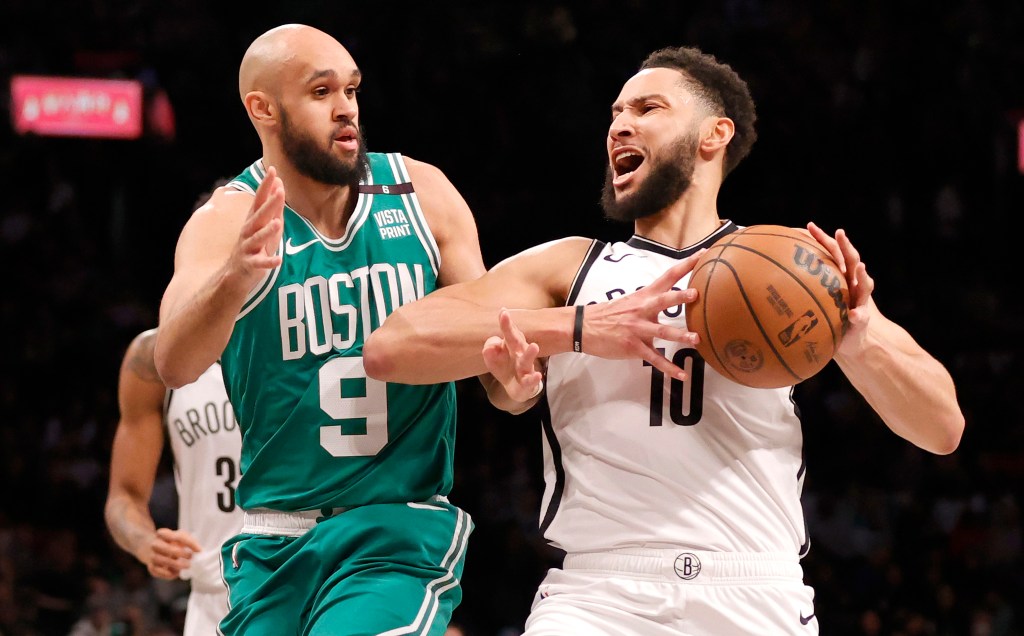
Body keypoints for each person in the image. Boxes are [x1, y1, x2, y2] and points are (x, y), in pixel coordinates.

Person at [363, 45, 966, 634]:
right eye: (615, 114)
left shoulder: (791, 270)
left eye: (647, 109)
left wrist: (861, 342)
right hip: (599, 594)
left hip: (754, 589)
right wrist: (575, 331)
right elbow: (392, 346)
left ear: (715, 134)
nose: (620, 126)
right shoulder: (568, 267)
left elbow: (943, 429)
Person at [153, 23, 492, 635]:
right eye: (321, 92)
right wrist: (234, 279)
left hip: (393, 531)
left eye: (353, 90)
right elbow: (173, 364)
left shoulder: (421, 193)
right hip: (271, 540)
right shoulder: (226, 220)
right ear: (263, 109)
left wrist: (516, 384)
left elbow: (494, 349)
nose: (347, 110)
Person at [105, 328, 243, 635]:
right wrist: (145, 541)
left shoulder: (301, 328)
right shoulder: (152, 358)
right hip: (212, 598)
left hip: (306, 575)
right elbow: (124, 495)